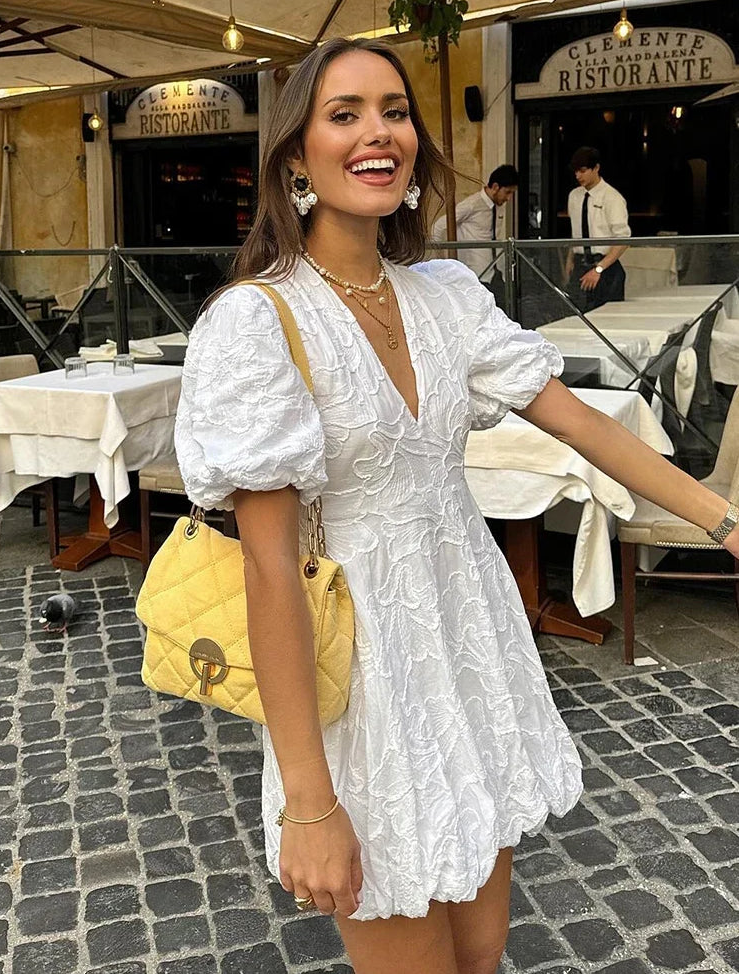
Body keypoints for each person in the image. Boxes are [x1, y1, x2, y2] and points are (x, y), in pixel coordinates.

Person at [174, 37, 739, 974]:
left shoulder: (445, 296)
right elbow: (269, 569)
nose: (378, 133)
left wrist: (724, 522)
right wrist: (308, 801)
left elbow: (583, 424)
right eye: (345, 114)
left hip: (470, 642)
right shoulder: (256, 321)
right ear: (296, 157)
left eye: (394, 111)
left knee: (480, 955)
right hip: (363, 679)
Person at [431, 164, 519, 310]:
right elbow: (439, 226)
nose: (509, 198)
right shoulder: (472, 204)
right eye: (507, 192)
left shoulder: (498, 206)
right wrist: (440, 260)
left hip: (496, 272)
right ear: (495, 187)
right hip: (476, 274)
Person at [565, 146, 630, 312]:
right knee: (575, 315)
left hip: (605, 265)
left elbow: (623, 239)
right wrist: (570, 261)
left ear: (596, 168)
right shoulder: (574, 196)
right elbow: (575, 233)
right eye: (575, 171)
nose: (578, 176)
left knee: (606, 318)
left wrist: (599, 268)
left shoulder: (612, 197)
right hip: (580, 264)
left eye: (583, 171)